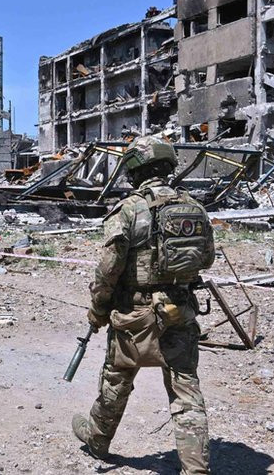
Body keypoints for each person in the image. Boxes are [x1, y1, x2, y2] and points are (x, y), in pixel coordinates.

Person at [72, 135, 215, 475]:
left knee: (117, 378)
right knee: (185, 392)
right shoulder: (194, 207)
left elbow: (108, 269)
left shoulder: (128, 210)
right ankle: (196, 469)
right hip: (179, 311)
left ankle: (97, 439)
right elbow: (206, 259)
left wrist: (98, 309)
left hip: (133, 315)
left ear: (134, 170)